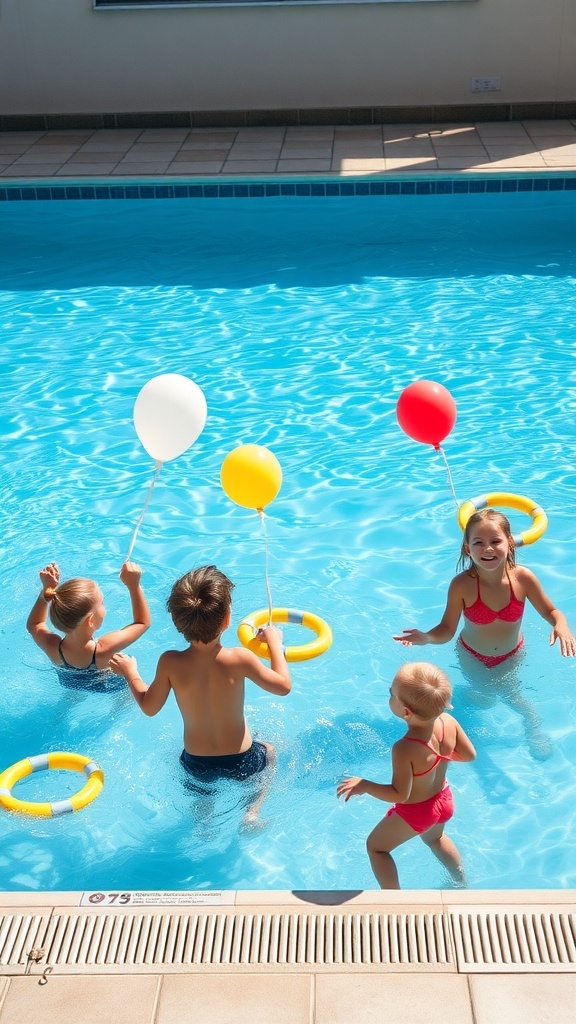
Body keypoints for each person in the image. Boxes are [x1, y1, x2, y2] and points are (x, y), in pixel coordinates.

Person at [110, 565, 291, 826]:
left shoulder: (170, 662)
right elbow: (283, 686)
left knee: (203, 794)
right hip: (243, 759)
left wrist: (131, 673)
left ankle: (203, 821)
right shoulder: (240, 658)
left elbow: (149, 708)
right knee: (271, 751)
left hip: (196, 763)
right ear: (228, 619)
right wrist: (275, 643)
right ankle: (252, 812)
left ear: (178, 622)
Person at [337, 662, 476, 889]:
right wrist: (439, 759)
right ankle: (460, 879)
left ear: (406, 712)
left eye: (391, 693)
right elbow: (469, 755)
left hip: (418, 812)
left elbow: (400, 794)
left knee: (376, 848)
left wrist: (366, 785)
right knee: (436, 839)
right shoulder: (449, 722)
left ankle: (396, 901)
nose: (389, 695)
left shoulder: (405, 748)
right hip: (443, 800)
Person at [393, 508, 576, 667]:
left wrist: (562, 625)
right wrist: (427, 638)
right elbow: (447, 629)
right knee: (480, 702)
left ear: (509, 543)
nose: (487, 549)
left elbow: (550, 611)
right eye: (478, 543)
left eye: (495, 542)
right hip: (472, 657)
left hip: (513, 654)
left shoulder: (523, 578)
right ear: (467, 549)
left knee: (513, 697)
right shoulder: (461, 585)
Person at [27, 561, 151, 690]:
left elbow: (35, 624)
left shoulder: (52, 646)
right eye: (102, 603)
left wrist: (46, 591)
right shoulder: (104, 648)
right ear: (90, 620)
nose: (105, 607)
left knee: (74, 693)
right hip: (108, 685)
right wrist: (134, 585)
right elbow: (142, 622)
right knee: (127, 695)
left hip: (71, 683)